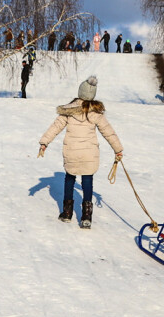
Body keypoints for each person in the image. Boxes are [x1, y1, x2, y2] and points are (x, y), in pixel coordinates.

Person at [38, 76, 123, 228]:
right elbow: (108, 132)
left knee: (70, 178)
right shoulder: (97, 113)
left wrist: (44, 142)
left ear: (80, 92)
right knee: (87, 181)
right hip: (89, 153)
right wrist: (118, 150)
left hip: (71, 151)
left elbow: (55, 127)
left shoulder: (68, 111)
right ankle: (86, 217)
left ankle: (67, 213)